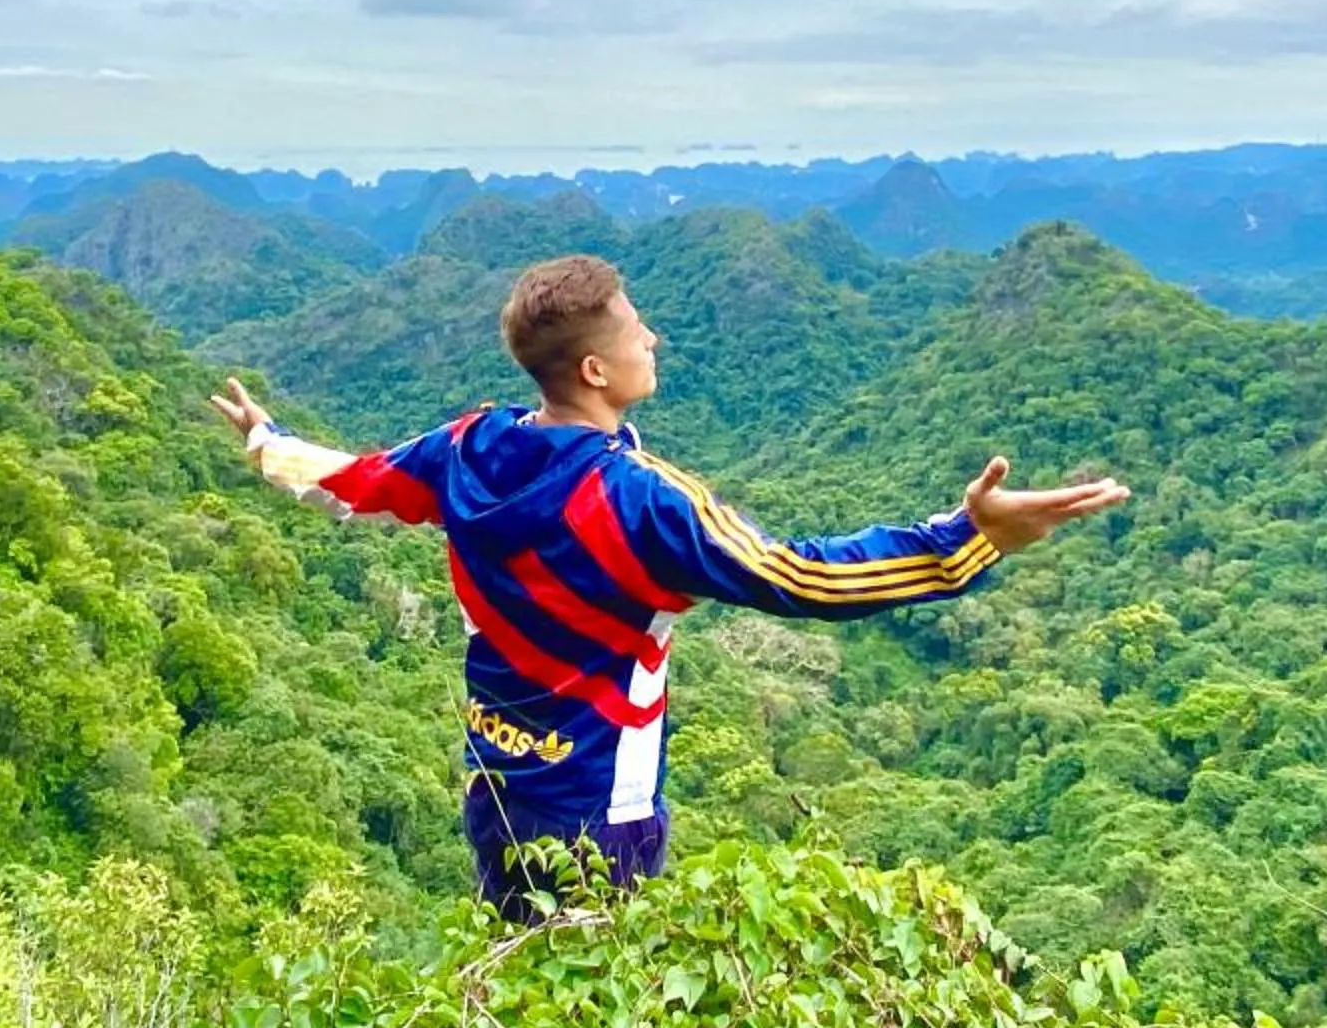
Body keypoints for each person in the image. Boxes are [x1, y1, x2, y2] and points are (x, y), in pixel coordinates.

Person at [211, 252, 1128, 915]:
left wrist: (267, 441)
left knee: (519, 978)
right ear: (595, 369)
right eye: (635, 327)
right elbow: (800, 576)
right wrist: (969, 539)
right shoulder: (639, 501)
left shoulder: (468, 445)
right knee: (593, 1026)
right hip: (604, 811)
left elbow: (358, 482)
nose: (654, 335)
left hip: (495, 788)